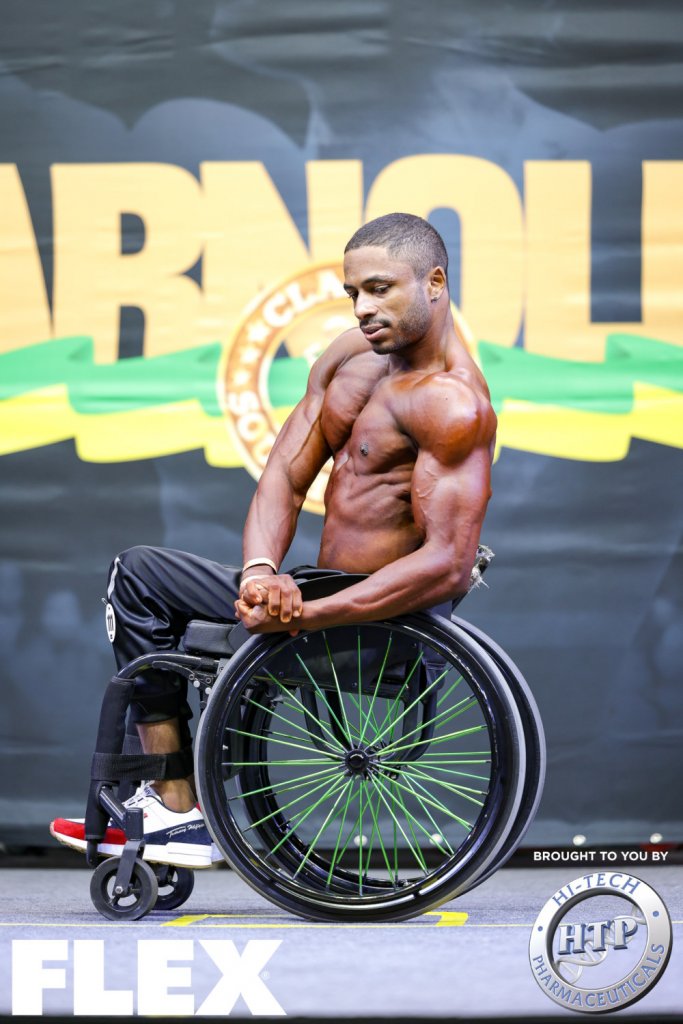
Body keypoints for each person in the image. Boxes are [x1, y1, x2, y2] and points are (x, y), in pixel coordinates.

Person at [51, 212, 497, 867]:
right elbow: (284, 478)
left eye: (380, 289)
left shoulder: (451, 403)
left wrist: (306, 615)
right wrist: (261, 572)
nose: (363, 308)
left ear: (434, 283)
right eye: (353, 293)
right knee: (152, 577)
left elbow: (447, 566)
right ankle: (176, 808)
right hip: (315, 598)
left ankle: (174, 805)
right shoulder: (351, 360)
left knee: (136, 577)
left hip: (370, 626)